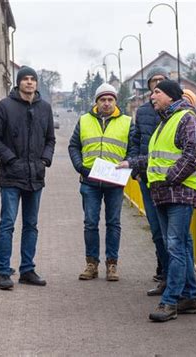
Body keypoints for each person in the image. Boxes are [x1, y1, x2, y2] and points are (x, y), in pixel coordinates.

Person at [119, 79, 196, 322]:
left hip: (178, 193)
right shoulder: (166, 121)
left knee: (175, 246)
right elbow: (154, 157)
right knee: (182, 245)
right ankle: (189, 297)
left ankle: (170, 302)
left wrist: (169, 179)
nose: (151, 97)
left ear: (170, 95)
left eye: (156, 92)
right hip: (165, 193)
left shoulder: (187, 118)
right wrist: (131, 163)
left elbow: (193, 155)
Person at [0, 66, 56, 290]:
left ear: (36, 83)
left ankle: (27, 270)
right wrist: (10, 159)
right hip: (11, 176)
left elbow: (50, 139)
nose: (29, 82)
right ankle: (3, 273)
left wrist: (44, 160)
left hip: (35, 176)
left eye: (32, 79)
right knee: (7, 224)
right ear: (18, 83)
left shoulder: (45, 108)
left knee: (31, 225)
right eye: (25, 79)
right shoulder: (4, 106)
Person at [68, 83, 136, 281]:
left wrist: (128, 162)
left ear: (116, 101)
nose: (106, 103)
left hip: (115, 181)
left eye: (110, 99)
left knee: (113, 223)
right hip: (89, 181)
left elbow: (133, 148)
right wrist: (80, 167)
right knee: (90, 223)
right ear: (96, 102)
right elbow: (74, 146)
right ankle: (91, 264)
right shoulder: (83, 121)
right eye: (103, 100)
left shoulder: (127, 122)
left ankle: (112, 265)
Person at [130, 66, 169, 296]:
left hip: (169, 181)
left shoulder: (177, 111)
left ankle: (173, 279)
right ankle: (164, 273)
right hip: (147, 178)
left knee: (170, 234)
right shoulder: (143, 112)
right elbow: (135, 140)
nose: (157, 85)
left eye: (162, 81)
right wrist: (135, 167)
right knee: (155, 230)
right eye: (154, 82)